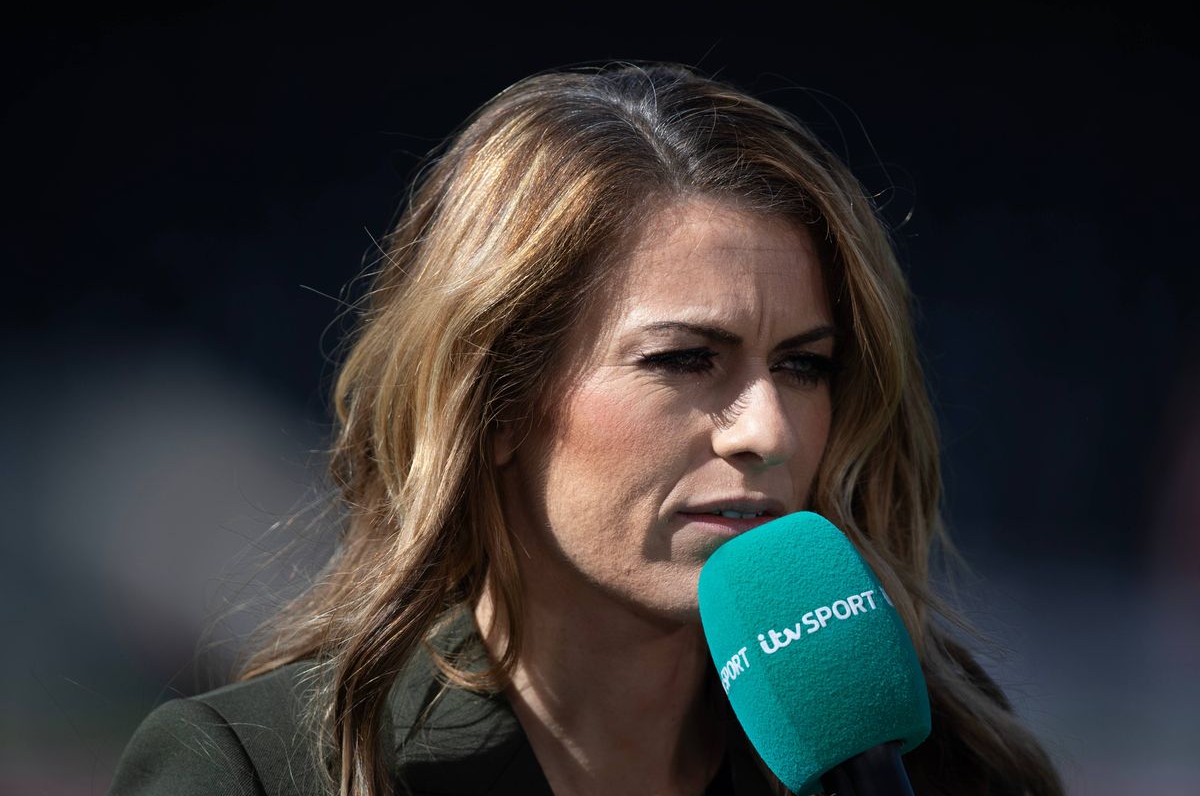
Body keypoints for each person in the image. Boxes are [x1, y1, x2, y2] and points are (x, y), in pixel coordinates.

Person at [110, 63, 1064, 796]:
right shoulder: (254, 773)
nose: (767, 427)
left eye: (804, 365)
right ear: (496, 401)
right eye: (686, 359)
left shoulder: (941, 766)